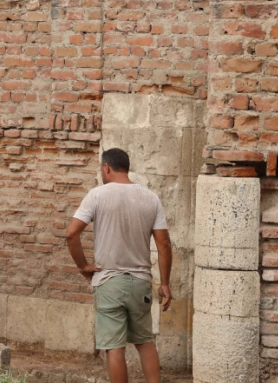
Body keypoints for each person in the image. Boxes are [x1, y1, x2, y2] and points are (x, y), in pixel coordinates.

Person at [65, 148, 172, 383]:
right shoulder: (150, 197)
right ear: (126, 167)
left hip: (109, 282)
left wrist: (83, 266)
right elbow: (163, 244)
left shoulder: (97, 195)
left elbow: (71, 234)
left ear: (106, 168)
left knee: (114, 347)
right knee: (145, 342)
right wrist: (164, 283)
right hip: (141, 283)